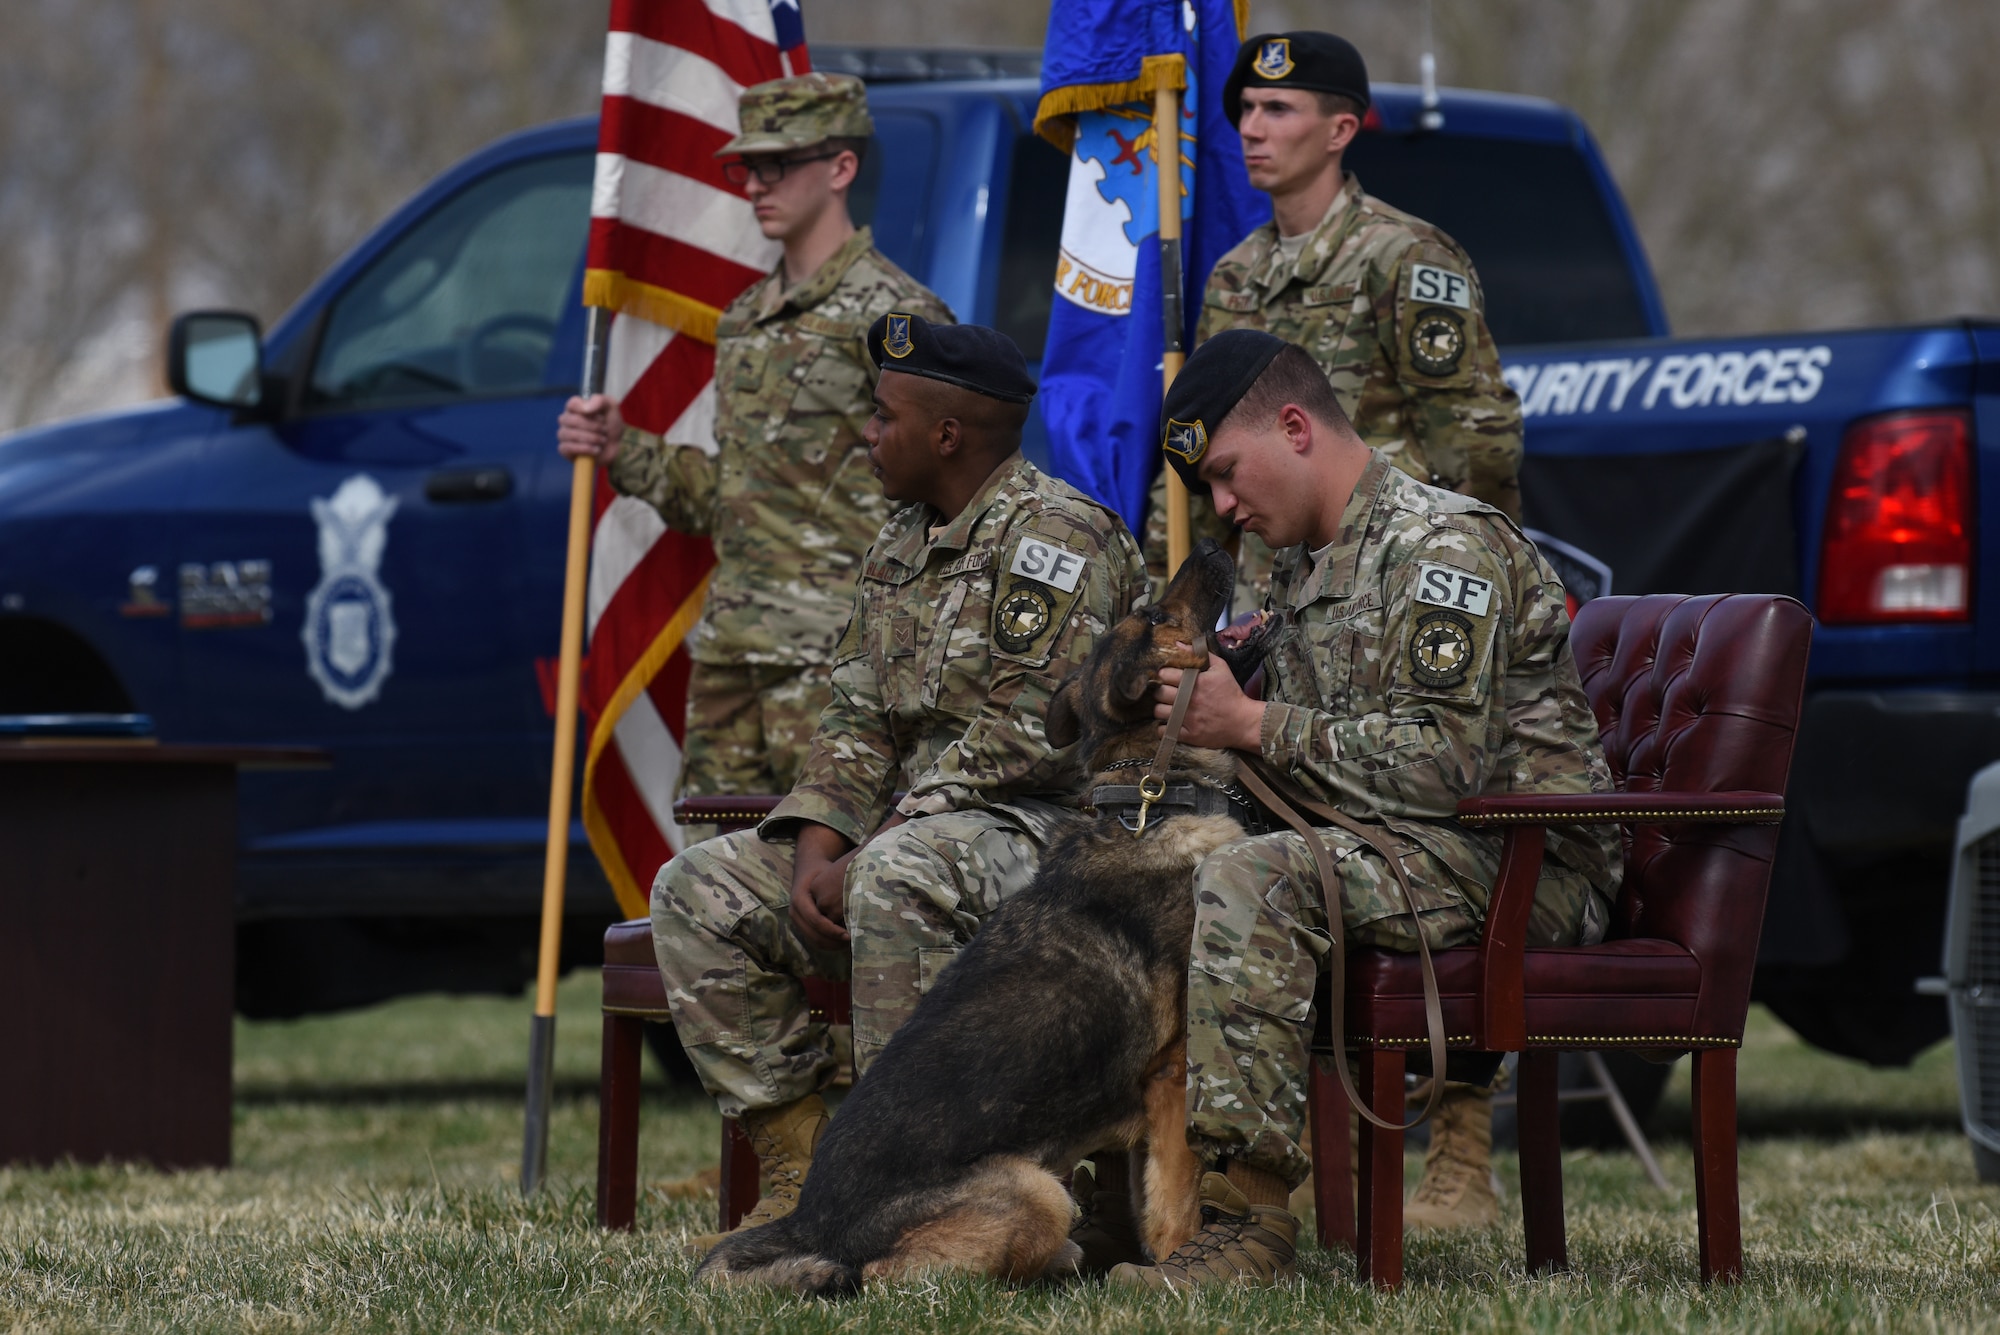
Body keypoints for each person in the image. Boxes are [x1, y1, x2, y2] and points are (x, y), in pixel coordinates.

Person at [1108, 330, 1620, 1288]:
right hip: (1400, 845)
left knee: (1251, 877)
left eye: (1225, 474)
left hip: (1519, 861)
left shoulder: (1442, 547)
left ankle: (1246, 1227)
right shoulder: (1308, 562)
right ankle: (1124, 1193)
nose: (1222, 508)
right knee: (1166, 859)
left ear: (1295, 428)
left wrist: (1252, 722)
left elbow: (1443, 767)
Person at [651, 314, 1146, 1252]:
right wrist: (814, 848)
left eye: (882, 418)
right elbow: (855, 718)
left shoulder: (1058, 540)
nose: (865, 437)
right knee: (698, 890)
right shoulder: (899, 543)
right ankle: (809, 1167)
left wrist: (870, 850)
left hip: (1053, 840)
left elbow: (1029, 738)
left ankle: (920, 1191)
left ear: (945, 434)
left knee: (897, 877)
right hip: (918, 834)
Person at [1145, 30, 1531, 1226]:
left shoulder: (1408, 261)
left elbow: (1474, 444)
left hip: (1407, 584)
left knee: (1368, 825)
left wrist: (1407, 564)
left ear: (1342, 126)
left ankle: (1455, 1142)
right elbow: (1223, 475)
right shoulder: (1233, 275)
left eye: (1275, 106)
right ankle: (1197, 1163)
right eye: (1241, 109)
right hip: (1297, 596)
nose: (1250, 127)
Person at [557, 72, 953, 805]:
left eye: (779, 164)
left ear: (841, 168)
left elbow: (954, 490)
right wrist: (625, 447)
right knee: (715, 889)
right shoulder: (742, 318)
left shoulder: (896, 316)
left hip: (839, 660)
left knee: (830, 884)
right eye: (748, 167)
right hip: (733, 657)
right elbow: (730, 497)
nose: (756, 185)